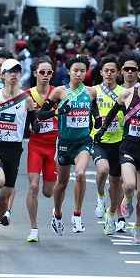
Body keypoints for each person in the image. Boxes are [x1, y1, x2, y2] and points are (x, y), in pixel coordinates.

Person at [100, 59, 140, 244]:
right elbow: (113, 112)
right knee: (129, 185)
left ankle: (137, 228)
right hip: (128, 146)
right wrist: (102, 131)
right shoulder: (127, 94)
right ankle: (126, 199)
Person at [0, 59, 36, 250]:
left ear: (20, 75)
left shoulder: (26, 99)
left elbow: (34, 121)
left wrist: (42, 121)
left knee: (4, 200)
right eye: (9, 72)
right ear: (1, 75)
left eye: (17, 72)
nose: (13, 75)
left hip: (14, 150)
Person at [39, 55, 97, 235]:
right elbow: (41, 115)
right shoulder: (59, 92)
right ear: (69, 71)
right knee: (62, 183)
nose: (79, 74)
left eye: (82, 71)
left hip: (83, 141)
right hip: (64, 142)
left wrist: (100, 120)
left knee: (80, 174)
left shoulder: (91, 92)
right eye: (75, 70)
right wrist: (58, 111)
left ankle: (77, 215)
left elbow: (94, 111)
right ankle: (57, 214)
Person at [90, 56, 126, 235]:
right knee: (102, 170)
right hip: (98, 140)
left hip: (118, 141)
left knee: (116, 182)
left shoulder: (124, 92)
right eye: (106, 70)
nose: (109, 73)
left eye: (113, 70)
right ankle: (100, 197)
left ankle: (111, 214)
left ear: (118, 72)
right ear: (101, 73)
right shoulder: (94, 91)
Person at [25, 56, 58, 242]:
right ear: (35, 73)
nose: (46, 76)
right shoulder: (27, 95)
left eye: (49, 72)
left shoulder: (58, 93)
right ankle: (33, 229)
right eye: (42, 72)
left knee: (48, 191)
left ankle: (57, 205)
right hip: (36, 146)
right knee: (34, 186)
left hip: (53, 146)